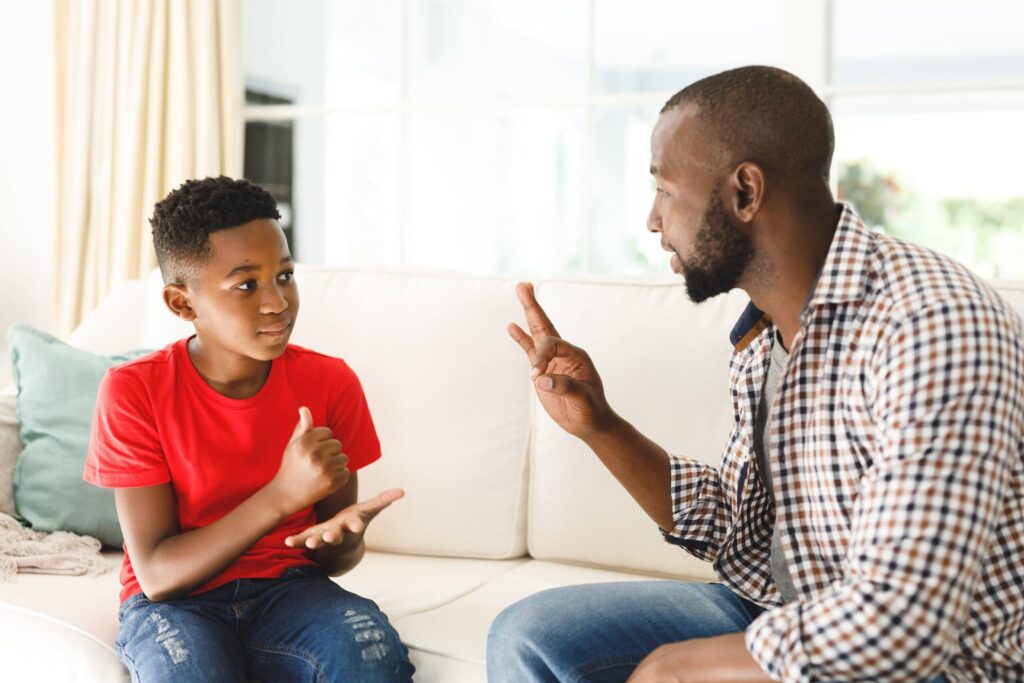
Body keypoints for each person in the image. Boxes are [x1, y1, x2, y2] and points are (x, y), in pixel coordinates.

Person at [487, 66, 1024, 682]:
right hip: (793, 610)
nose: (652, 220)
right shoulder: (763, 331)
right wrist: (600, 425)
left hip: (933, 665)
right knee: (534, 637)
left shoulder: (931, 328)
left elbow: (900, 628)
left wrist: (674, 669)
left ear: (745, 192)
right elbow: (740, 534)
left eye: (664, 188)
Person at [84, 177, 414, 681]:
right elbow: (157, 575)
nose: (277, 302)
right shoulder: (133, 392)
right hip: (177, 608)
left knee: (371, 656)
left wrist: (345, 538)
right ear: (182, 304)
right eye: (246, 284)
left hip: (292, 590)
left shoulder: (330, 382)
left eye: (284, 275)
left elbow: (333, 560)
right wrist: (280, 497)